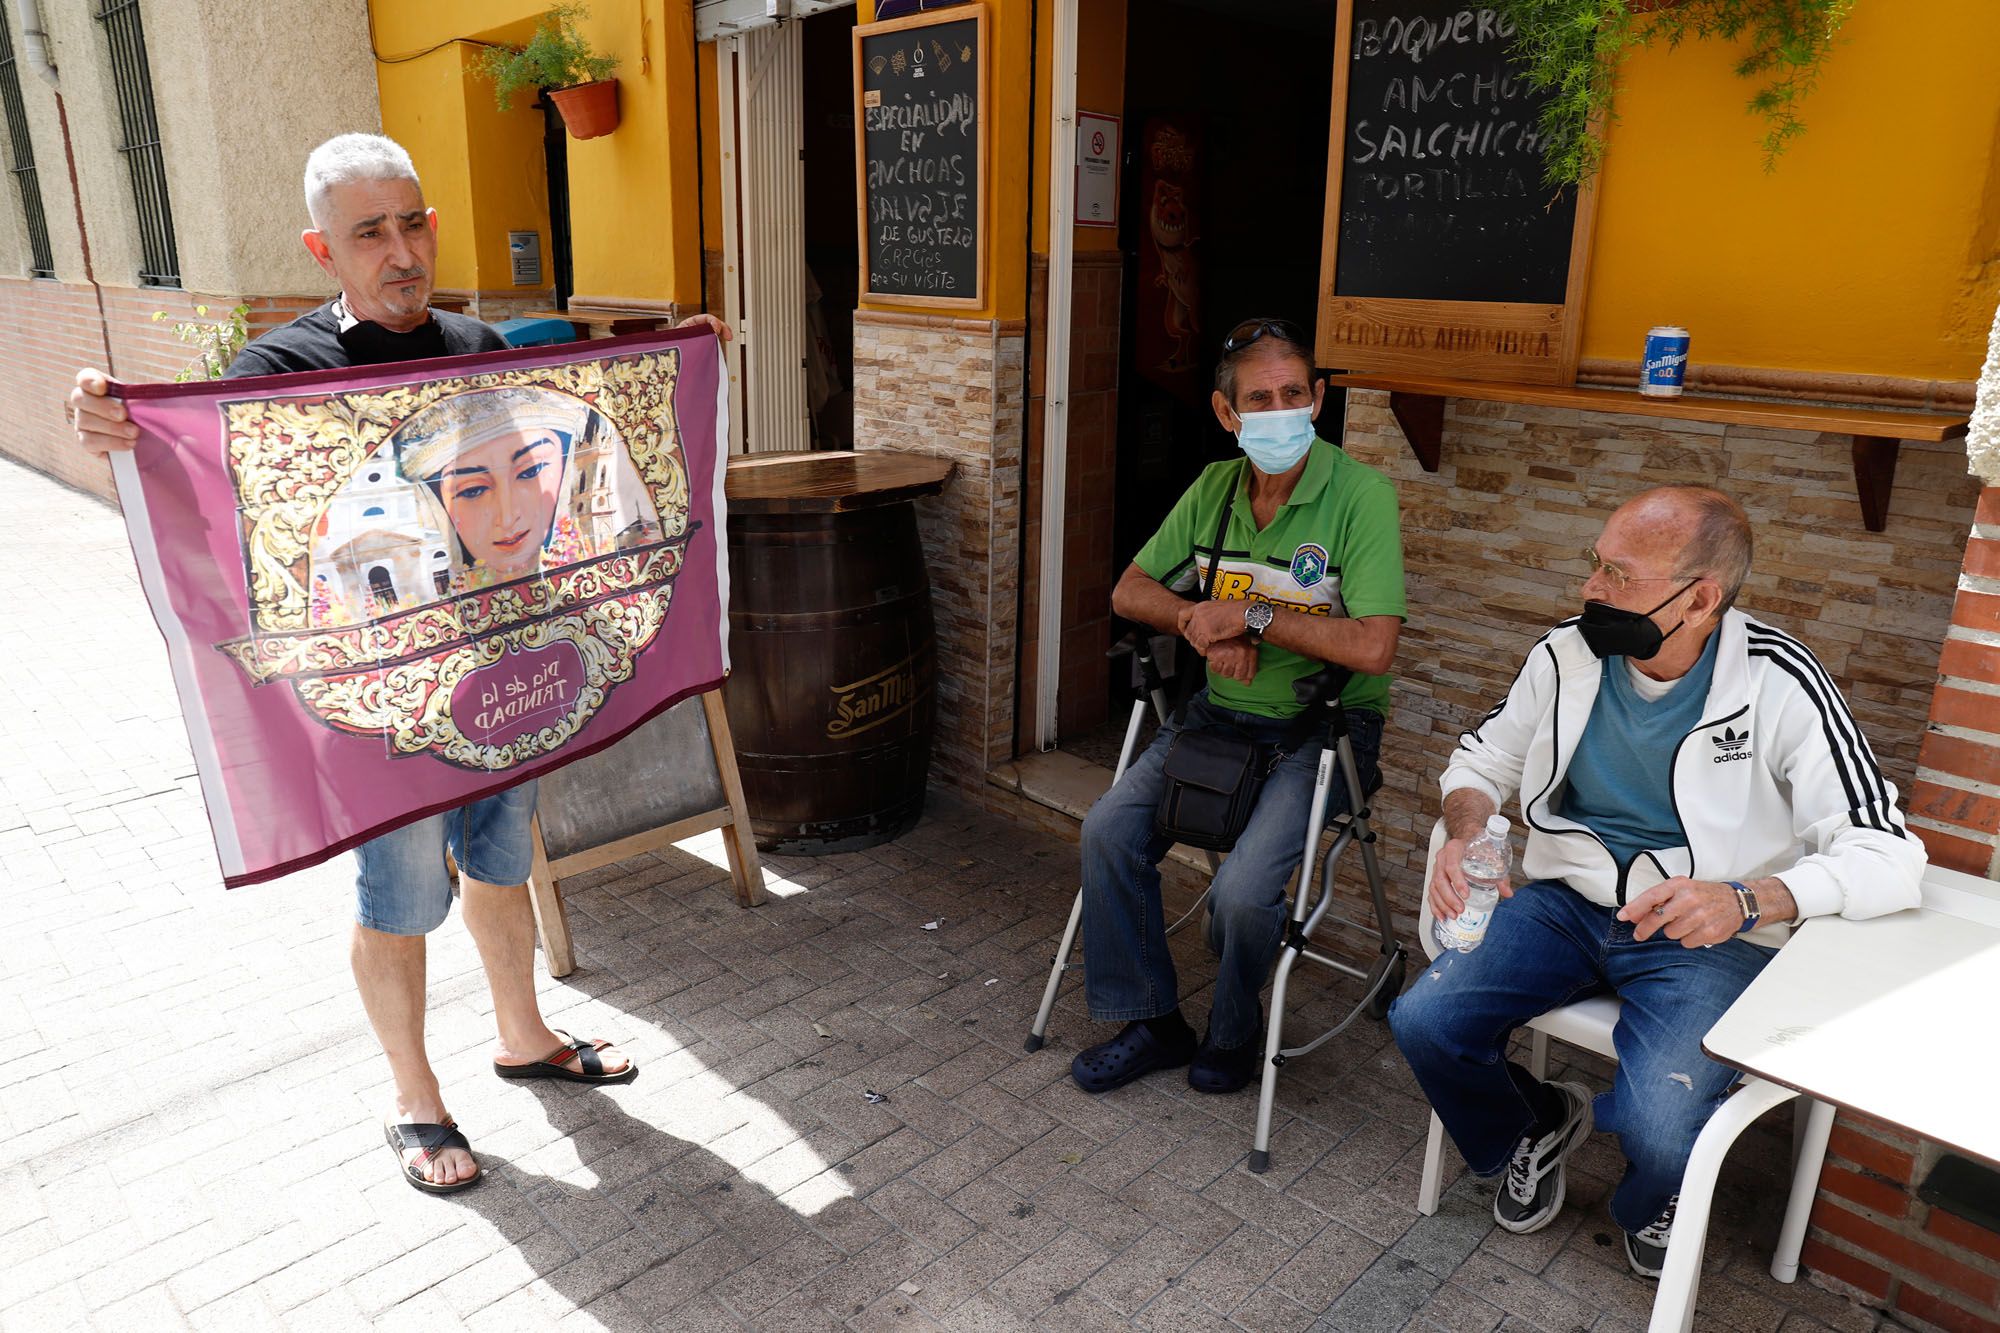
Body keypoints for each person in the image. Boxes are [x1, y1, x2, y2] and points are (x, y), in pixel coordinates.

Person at [69, 133, 732, 1195]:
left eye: (412, 221)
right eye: (369, 231)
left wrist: (682, 362)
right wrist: (121, 426)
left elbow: (563, 460)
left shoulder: (475, 342)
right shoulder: (279, 373)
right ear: (321, 249)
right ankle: (413, 1096)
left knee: (507, 862)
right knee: (401, 894)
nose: (400, 248)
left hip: (499, 681)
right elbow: (218, 506)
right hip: (384, 715)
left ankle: (524, 1037)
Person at [1388, 485, 1926, 1276]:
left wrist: (1749, 900)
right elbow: (1483, 758)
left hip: (1704, 933)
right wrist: (1468, 831)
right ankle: (1533, 1123)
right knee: (1424, 1019)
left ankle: (1653, 1195)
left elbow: (1887, 849)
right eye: (1594, 563)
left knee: (1662, 1126)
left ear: (1701, 598)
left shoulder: (1779, 681)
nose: (1589, 589)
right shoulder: (1567, 652)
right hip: (1567, 903)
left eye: (1618, 572)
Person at [1070, 317, 1407, 1096]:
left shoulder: (1361, 496)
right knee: (1108, 833)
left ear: (1319, 399)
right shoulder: (1215, 489)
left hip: (1322, 729)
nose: (1280, 409)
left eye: (1295, 393)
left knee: (1244, 891)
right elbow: (1130, 589)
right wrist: (1196, 619)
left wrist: (1250, 614)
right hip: (1217, 716)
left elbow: (1375, 648)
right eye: (1260, 398)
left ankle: (1235, 1023)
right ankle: (1154, 1018)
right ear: (1229, 415)